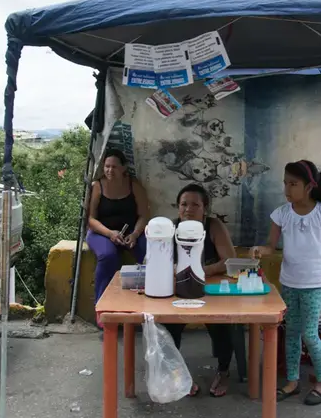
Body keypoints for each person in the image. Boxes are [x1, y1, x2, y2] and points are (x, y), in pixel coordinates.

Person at [252, 159, 321, 406]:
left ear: (309, 186)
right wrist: (260, 250)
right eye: (285, 183)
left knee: (310, 334)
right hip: (289, 283)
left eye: (293, 184)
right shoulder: (281, 214)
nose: (287, 189)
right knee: (291, 333)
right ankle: (292, 381)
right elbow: (271, 246)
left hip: (315, 283)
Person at [164, 184, 237, 397]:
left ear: (205, 208)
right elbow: (155, 260)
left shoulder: (213, 226)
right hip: (179, 289)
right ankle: (177, 374)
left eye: (195, 204)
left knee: (222, 323)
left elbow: (229, 259)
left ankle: (224, 372)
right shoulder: (170, 227)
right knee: (168, 325)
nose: (188, 209)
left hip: (210, 288)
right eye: (184, 204)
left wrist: (201, 271)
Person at [87, 149, 149, 308]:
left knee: (148, 252)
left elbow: (143, 215)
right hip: (101, 233)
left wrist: (135, 234)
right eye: (107, 166)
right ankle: (103, 306)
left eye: (114, 167)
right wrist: (110, 234)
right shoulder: (98, 186)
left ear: (123, 168)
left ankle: (148, 302)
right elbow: (91, 219)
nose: (109, 170)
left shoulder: (134, 186)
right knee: (108, 256)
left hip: (130, 232)